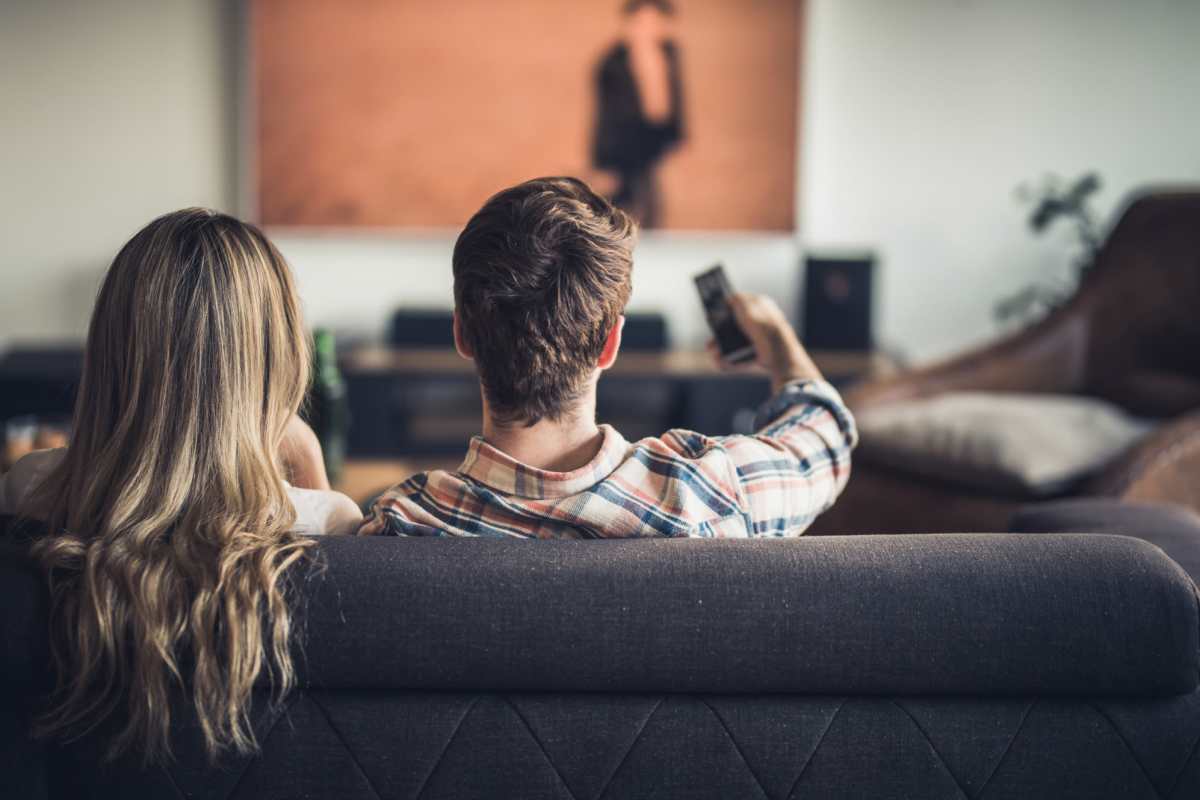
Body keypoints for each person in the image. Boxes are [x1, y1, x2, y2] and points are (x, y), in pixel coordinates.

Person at [0, 208, 361, 763]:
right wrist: (307, 451)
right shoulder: (332, 520)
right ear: (278, 355)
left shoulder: (30, 488)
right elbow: (335, 556)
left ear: (114, 351)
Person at [360, 177, 857, 539]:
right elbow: (825, 440)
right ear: (611, 344)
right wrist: (777, 342)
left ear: (461, 335)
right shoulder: (716, 494)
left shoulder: (401, 524)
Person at [592, 0, 685, 228]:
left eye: (653, 21)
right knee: (625, 203)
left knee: (648, 202)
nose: (647, 28)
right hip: (624, 144)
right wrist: (603, 158)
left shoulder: (668, 55)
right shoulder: (613, 63)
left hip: (653, 139)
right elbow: (606, 115)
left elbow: (674, 99)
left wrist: (674, 133)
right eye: (641, 22)